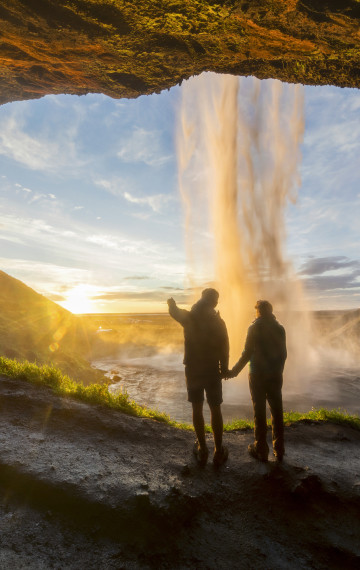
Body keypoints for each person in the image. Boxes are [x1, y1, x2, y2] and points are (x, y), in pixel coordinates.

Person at [167, 289, 229, 467]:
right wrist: (224, 369)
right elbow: (225, 347)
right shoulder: (218, 322)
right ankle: (218, 450)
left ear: (201, 298)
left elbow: (175, 313)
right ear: (215, 302)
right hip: (212, 369)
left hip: (193, 369)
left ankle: (202, 449)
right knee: (215, 408)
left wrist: (171, 304)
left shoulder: (190, 317)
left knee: (197, 407)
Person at [229, 300, 287, 462]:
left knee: (259, 410)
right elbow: (283, 354)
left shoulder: (254, 327)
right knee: (277, 410)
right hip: (275, 375)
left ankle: (261, 449)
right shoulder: (280, 328)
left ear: (259, 312)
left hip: (257, 374)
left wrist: (234, 372)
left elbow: (247, 353)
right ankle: (279, 449)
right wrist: (278, 371)